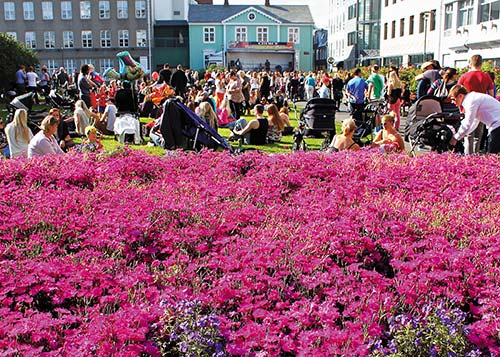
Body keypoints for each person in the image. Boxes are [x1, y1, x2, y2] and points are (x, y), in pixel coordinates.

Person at [457, 54, 495, 154]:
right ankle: (475, 158)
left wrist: (460, 107)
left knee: (468, 133)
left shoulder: (464, 76)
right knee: (478, 136)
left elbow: (457, 92)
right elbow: (491, 94)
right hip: (482, 108)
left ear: (470, 63)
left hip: (467, 107)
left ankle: (468, 157)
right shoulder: (486, 76)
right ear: (481, 63)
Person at [448, 85, 500, 154]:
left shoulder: (470, 101)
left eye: (453, 99)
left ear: (460, 96)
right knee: (494, 154)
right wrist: (462, 135)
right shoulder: (472, 98)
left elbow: (468, 123)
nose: (452, 102)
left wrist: (455, 138)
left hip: (497, 124)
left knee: (493, 154)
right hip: (496, 124)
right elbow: (474, 122)